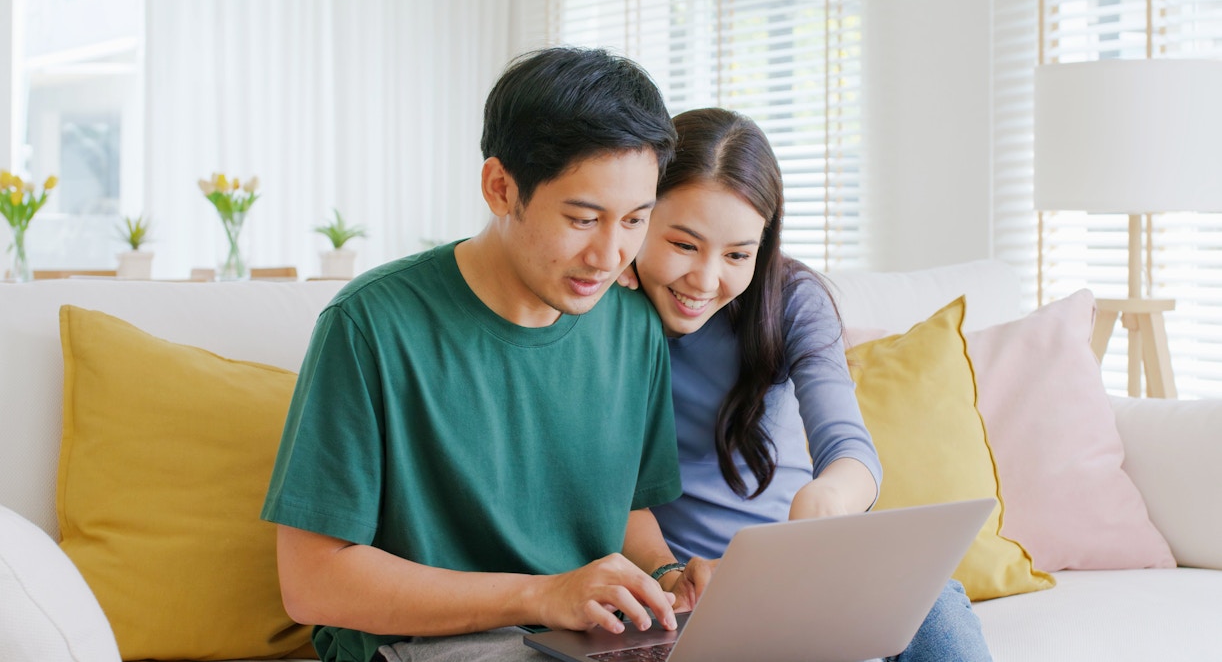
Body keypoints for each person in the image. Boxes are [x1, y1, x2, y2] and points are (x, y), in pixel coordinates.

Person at [261, 47, 702, 662]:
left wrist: (665, 577)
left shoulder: (631, 322)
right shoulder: (371, 323)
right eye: (582, 218)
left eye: (634, 220)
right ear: (500, 187)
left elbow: (625, 511)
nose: (609, 256)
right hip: (425, 649)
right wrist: (544, 595)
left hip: (587, 643)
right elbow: (312, 584)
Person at [627, 107, 993, 661]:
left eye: (737, 255)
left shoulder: (793, 299)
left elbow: (849, 449)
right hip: (690, 595)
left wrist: (829, 496)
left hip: (807, 577)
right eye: (683, 244)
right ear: (641, 216)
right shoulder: (604, 315)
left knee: (935, 599)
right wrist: (671, 575)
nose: (704, 281)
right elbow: (603, 493)